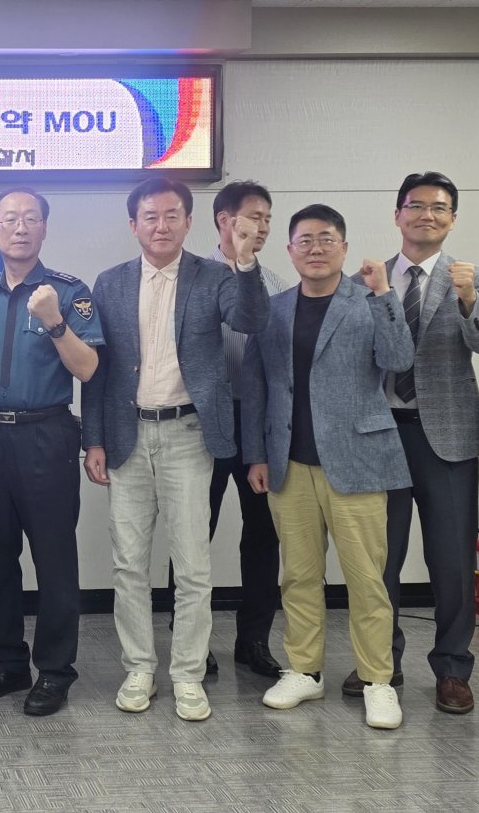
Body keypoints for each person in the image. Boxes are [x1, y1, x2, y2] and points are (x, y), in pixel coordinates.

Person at [82, 177, 269, 722]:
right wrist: (93, 438)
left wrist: (245, 261)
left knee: (192, 566)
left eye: (171, 215)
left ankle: (187, 674)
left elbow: (251, 319)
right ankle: (139, 667)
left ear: (188, 222)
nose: (160, 225)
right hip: (127, 434)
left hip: (189, 435)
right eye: (150, 216)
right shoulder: (110, 282)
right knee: (129, 564)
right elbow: (98, 369)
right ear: (133, 224)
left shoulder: (215, 276)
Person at [242, 203, 414, 730]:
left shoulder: (369, 299)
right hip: (288, 462)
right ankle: (304, 670)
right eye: (305, 240)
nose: (315, 249)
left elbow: (399, 359)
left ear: (343, 247)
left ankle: (378, 679)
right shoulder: (273, 309)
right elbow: (255, 385)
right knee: (298, 575)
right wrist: (256, 454)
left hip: (358, 459)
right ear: (289, 250)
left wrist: (385, 295)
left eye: (326, 239)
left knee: (367, 578)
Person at [338, 173, 479, 714]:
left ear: (452, 219)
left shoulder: (473, 278)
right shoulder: (366, 281)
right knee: (378, 558)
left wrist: (469, 297)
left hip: (447, 439)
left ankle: (453, 668)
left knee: (451, 561)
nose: (426, 215)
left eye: (439, 207)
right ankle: (380, 662)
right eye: (416, 205)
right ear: (397, 214)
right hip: (380, 433)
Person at [0, 188, 102, 717]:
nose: (20, 228)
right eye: (10, 220)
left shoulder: (70, 292)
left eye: (31, 219)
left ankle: (56, 671)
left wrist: (55, 322)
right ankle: (7, 663)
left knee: (54, 558)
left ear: (44, 229)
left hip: (47, 435)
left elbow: (88, 368)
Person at [204, 180, 287, 679]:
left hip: (260, 424)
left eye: (268, 219)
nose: (263, 227)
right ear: (224, 220)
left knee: (263, 534)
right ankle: (193, 639)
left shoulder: (275, 283)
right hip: (204, 422)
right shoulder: (194, 277)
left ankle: (253, 639)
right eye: (255, 217)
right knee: (195, 533)